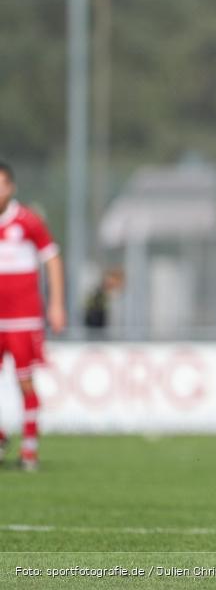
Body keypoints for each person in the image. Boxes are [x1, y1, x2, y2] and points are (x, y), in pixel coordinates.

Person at [0, 162, 66, 471]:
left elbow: (52, 259)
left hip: (24, 319)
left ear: (11, 187)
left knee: (24, 381)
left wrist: (56, 304)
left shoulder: (28, 222)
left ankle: (29, 449)